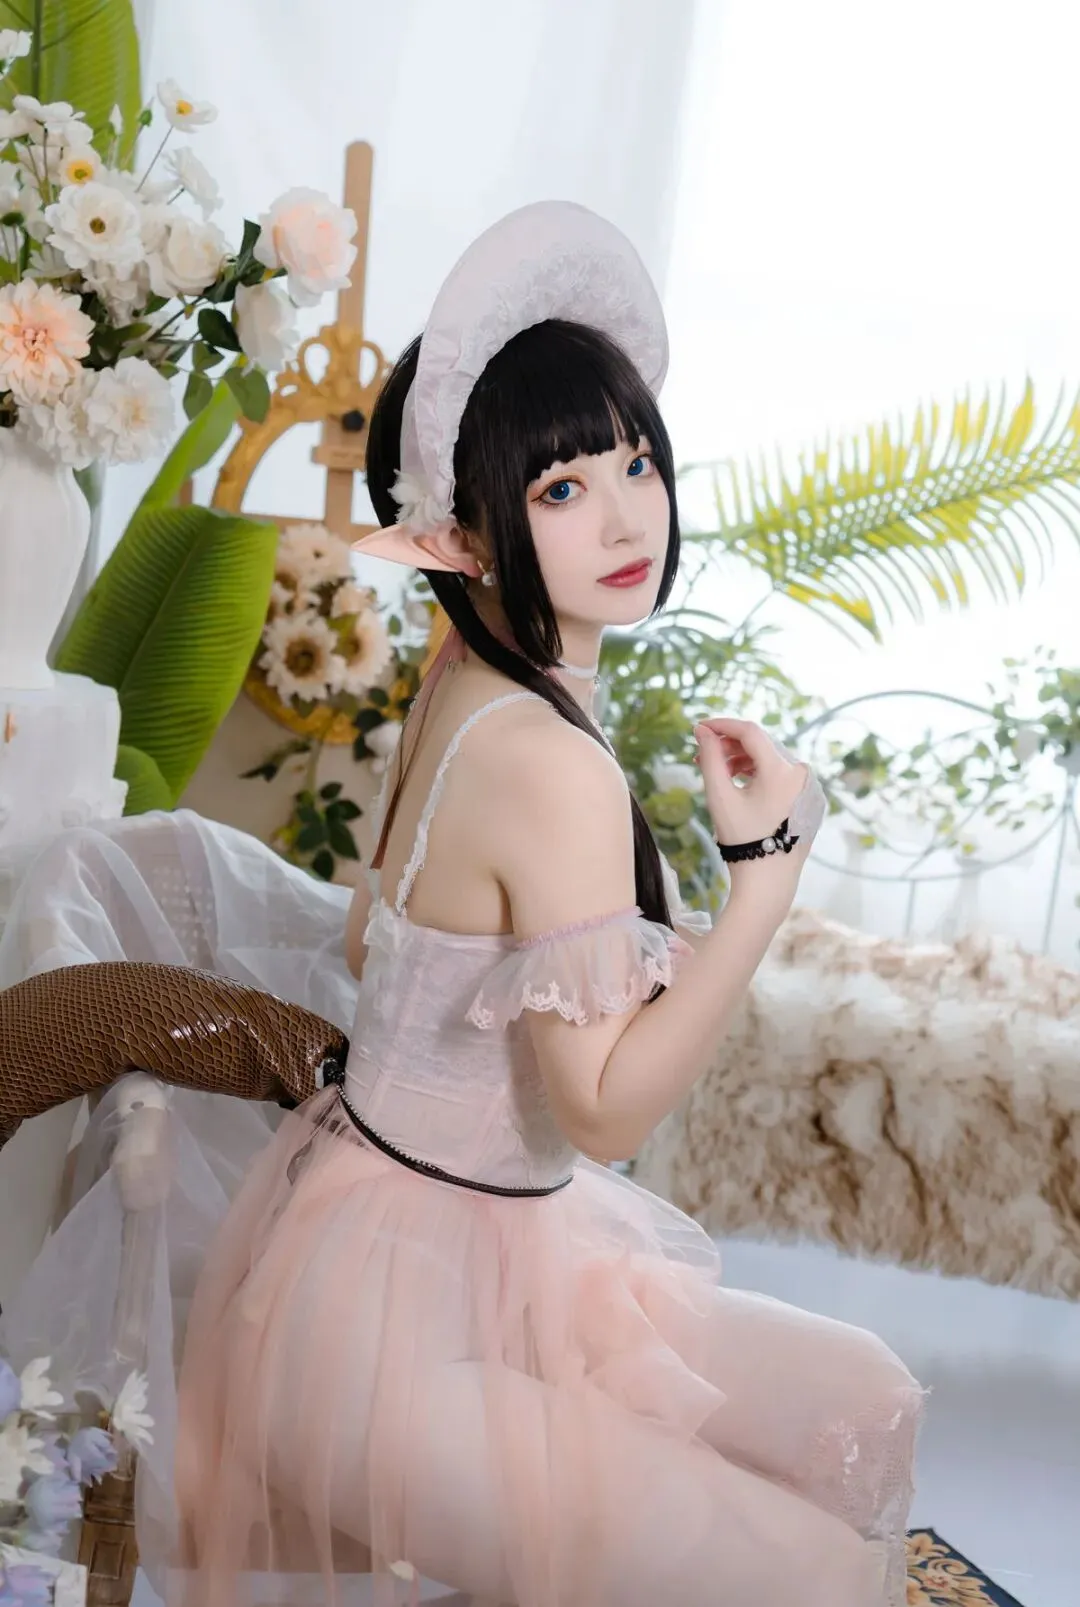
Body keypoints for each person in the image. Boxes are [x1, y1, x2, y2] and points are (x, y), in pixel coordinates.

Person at [169, 202, 922, 1607]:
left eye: (636, 461)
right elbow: (606, 1114)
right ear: (468, 532)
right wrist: (766, 880)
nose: (628, 515)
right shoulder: (544, 758)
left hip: (437, 1247)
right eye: (562, 489)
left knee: (866, 1395)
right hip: (390, 1345)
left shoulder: (469, 678)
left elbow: (379, 941)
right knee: (819, 1571)